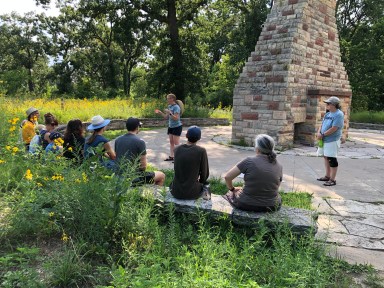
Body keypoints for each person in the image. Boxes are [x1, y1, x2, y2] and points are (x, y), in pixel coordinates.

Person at [223, 134, 283, 212]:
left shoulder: (249, 161)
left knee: (230, 193)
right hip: (272, 206)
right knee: (278, 197)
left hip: (246, 203)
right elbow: (277, 185)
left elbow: (227, 177)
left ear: (257, 148)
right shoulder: (279, 165)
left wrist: (232, 189)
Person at [115, 117, 165, 186]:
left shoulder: (117, 140)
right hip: (133, 177)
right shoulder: (140, 142)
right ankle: (155, 195)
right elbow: (143, 166)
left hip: (119, 175)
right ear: (137, 127)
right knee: (161, 175)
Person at [170, 126, 210, 200]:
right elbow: (205, 174)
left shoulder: (176, 149)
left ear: (186, 136)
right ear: (199, 138)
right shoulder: (201, 151)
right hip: (192, 193)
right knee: (206, 184)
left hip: (175, 191)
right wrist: (201, 181)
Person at [316, 96, 344, 186]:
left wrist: (323, 134)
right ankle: (327, 176)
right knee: (326, 157)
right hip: (324, 139)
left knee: (331, 158)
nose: (326, 105)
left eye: (328, 103)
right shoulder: (328, 114)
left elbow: (334, 128)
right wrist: (318, 132)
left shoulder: (339, 114)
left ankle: (332, 179)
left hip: (332, 140)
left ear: (334, 105)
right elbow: (322, 124)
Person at [154, 93, 182, 161]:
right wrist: (160, 112)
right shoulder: (169, 106)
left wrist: (169, 113)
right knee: (171, 142)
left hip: (177, 127)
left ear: (172, 99)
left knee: (176, 143)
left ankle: (178, 158)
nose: (167, 100)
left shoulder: (176, 107)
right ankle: (171, 156)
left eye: (168, 98)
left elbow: (176, 118)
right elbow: (166, 117)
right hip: (170, 127)